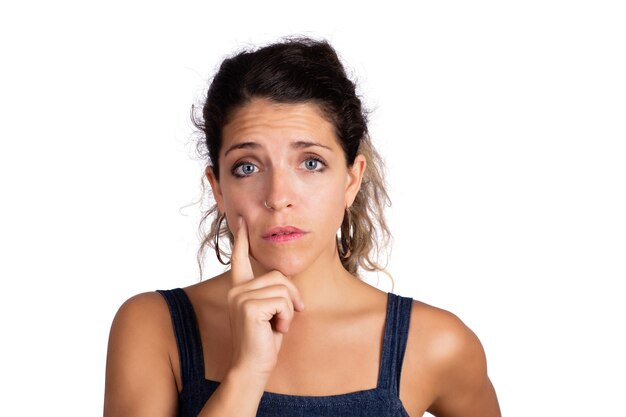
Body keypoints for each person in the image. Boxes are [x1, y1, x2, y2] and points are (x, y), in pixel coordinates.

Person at [103, 37, 501, 417]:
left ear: (351, 179)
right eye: (247, 167)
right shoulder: (154, 328)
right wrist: (247, 373)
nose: (278, 197)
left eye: (310, 162)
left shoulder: (435, 343)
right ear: (219, 190)